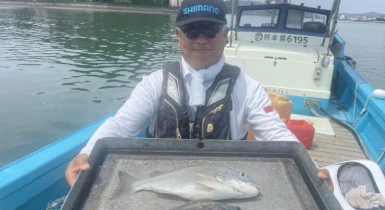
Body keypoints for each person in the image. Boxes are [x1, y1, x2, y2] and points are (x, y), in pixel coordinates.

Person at [65, 0, 333, 190]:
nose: (201, 38)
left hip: (223, 187)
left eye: (211, 29)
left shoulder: (247, 87)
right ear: (178, 35)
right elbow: (121, 125)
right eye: (193, 30)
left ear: (225, 35)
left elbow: (275, 134)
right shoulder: (154, 83)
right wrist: (87, 154)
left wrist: (309, 165)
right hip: (164, 182)